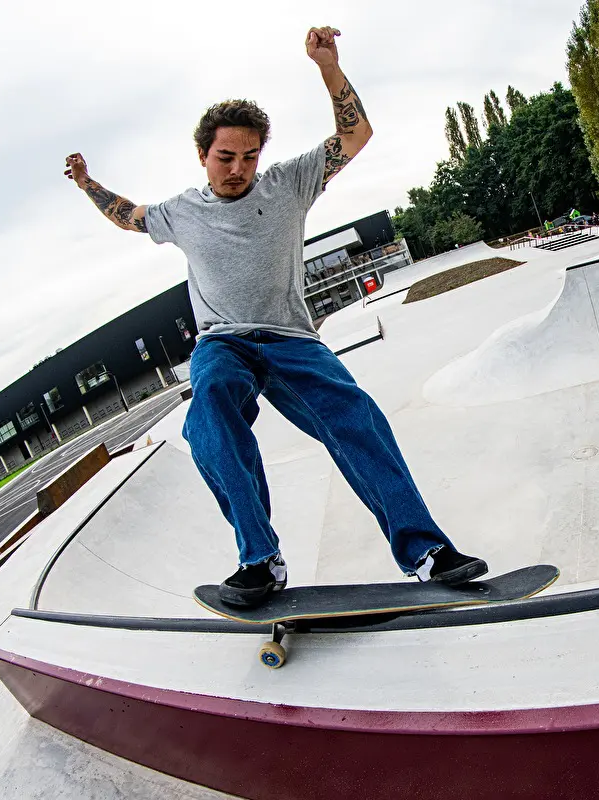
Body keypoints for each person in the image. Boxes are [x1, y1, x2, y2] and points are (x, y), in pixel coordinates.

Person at [63, 26, 487, 608]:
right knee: (209, 409)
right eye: (225, 158)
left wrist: (328, 68)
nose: (237, 169)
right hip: (224, 342)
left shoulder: (288, 183)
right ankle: (259, 558)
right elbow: (126, 216)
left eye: (248, 157)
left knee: (355, 417)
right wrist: (88, 184)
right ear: (203, 155)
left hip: (292, 339)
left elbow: (355, 134)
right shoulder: (181, 212)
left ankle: (426, 551)